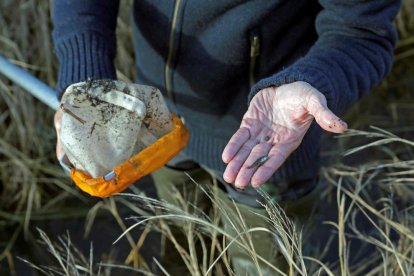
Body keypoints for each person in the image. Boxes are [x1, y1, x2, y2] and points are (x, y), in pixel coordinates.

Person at [51, 0, 400, 274]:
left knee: (263, 265)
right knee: (183, 251)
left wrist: (312, 79)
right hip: (155, 128)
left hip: (268, 140)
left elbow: (363, 33)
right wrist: (85, 86)